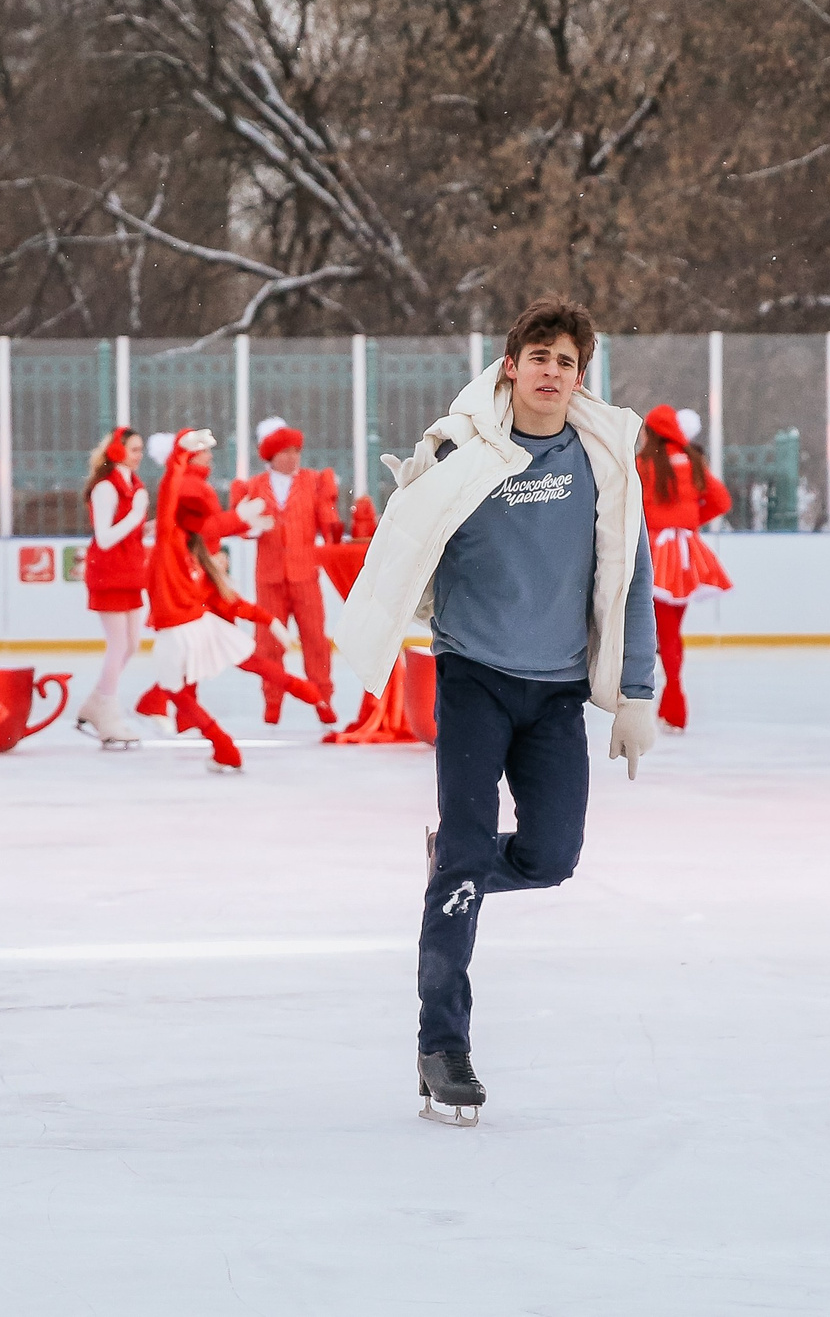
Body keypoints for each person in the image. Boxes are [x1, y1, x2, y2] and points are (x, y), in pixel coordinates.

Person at [336, 296, 656, 1127]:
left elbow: (631, 578)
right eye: (539, 356)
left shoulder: (602, 461)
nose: (553, 372)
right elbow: (403, 543)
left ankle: (459, 861)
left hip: (554, 692)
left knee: (552, 857)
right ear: (509, 364)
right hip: (472, 676)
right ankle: (443, 1045)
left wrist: (637, 693)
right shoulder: (464, 451)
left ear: (581, 376)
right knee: (464, 865)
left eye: (568, 362)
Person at [133, 428, 324, 771]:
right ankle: (207, 728)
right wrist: (179, 457)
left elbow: (177, 506)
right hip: (189, 621)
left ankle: (207, 733)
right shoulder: (182, 547)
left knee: (186, 680)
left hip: (187, 622)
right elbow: (171, 498)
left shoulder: (188, 551)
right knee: (215, 666)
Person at [230, 417, 344, 726]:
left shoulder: (313, 481)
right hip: (269, 579)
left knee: (315, 642)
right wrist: (253, 525)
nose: (293, 457)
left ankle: (323, 699)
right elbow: (240, 528)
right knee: (268, 644)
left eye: (297, 450)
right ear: (271, 456)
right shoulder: (252, 487)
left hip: (305, 575)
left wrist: (335, 516)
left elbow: (328, 524)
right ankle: (272, 702)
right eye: (286, 451)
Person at [638, 403, 732, 732]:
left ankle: (673, 700)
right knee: (671, 631)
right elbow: (721, 501)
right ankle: (672, 701)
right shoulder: (693, 461)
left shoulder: (644, 464)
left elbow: (630, 506)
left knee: (657, 631)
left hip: (655, 552)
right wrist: (689, 523)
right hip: (686, 554)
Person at [74, 426, 150, 747]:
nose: (139, 455)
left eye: (141, 449)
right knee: (119, 645)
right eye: (133, 449)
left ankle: (96, 703)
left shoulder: (132, 486)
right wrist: (135, 516)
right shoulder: (106, 488)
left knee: (131, 643)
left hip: (129, 571)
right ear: (117, 451)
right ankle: (106, 711)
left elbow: (126, 530)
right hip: (108, 572)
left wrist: (143, 524)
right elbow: (104, 538)